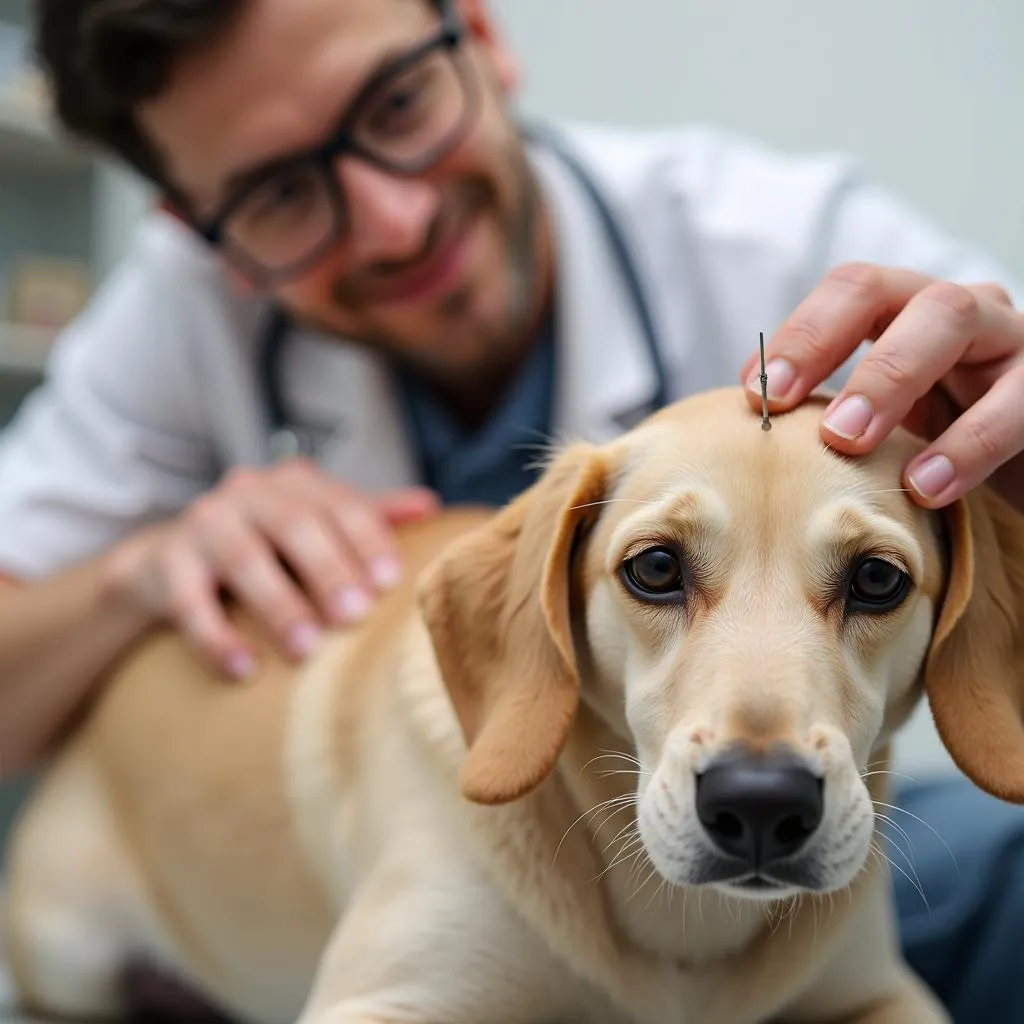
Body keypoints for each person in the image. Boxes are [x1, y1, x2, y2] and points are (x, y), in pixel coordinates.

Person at [0, 0, 1023, 1017]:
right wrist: (138, 572)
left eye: (398, 103)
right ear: (190, 223)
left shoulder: (787, 239)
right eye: (278, 192)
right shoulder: (168, 321)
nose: (395, 221)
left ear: (482, 38)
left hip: (820, 846)